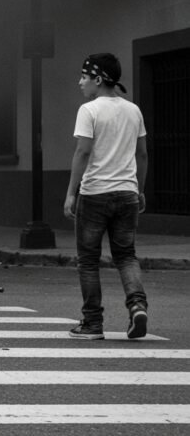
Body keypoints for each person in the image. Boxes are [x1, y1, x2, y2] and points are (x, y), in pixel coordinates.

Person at [63, 53, 149, 340]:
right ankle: (137, 305)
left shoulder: (89, 110)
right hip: (127, 193)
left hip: (95, 195)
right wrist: (139, 190)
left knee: (88, 261)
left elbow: (83, 152)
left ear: (98, 79)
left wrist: (71, 193)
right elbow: (142, 155)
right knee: (126, 256)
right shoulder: (134, 111)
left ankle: (92, 323)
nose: (80, 82)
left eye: (84, 77)